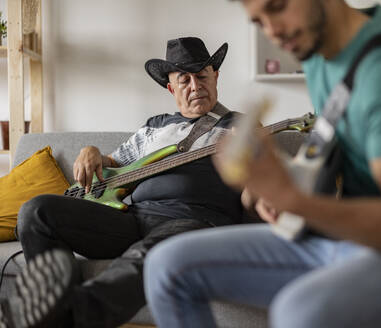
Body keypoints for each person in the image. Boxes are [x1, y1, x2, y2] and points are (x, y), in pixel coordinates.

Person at [143, 1, 381, 328]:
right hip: (342, 242)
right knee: (166, 266)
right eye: (259, 20)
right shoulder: (321, 58)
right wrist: (278, 182)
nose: (273, 31)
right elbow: (332, 161)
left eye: (277, 6)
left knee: (299, 312)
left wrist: (297, 201)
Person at [0, 37, 244, 328]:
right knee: (36, 212)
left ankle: (67, 315)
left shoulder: (241, 126)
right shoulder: (155, 126)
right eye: (184, 80)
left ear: (215, 75)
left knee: (151, 253)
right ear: (171, 88)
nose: (195, 86)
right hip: (132, 218)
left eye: (202, 76)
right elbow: (114, 163)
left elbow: (261, 183)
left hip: (193, 221)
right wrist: (92, 153)